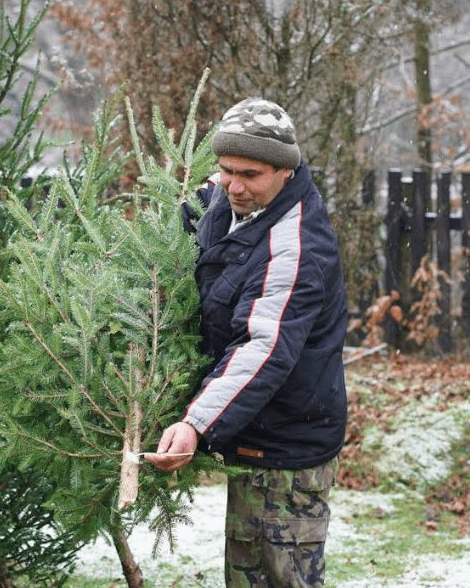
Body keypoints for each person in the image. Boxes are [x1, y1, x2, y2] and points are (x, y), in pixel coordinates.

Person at [145, 97, 347, 588]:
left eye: (250, 174)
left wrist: (195, 423)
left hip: (288, 444)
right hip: (251, 427)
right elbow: (176, 235)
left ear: (284, 172)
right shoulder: (222, 196)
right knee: (245, 575)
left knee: (279, 578)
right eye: (226, 169)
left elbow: (262, 349)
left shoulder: (296, 246)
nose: (233, 185)